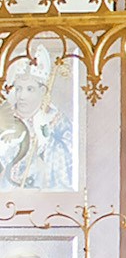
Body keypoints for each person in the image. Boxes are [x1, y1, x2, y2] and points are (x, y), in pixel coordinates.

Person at [0, 47, 74, 190]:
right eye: (19, 88)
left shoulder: (56, 120)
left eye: (29, 89)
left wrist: (46, 142)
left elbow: (68, 164)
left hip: (43, 195)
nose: (22, 96)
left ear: (42, 91)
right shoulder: (5, 117)